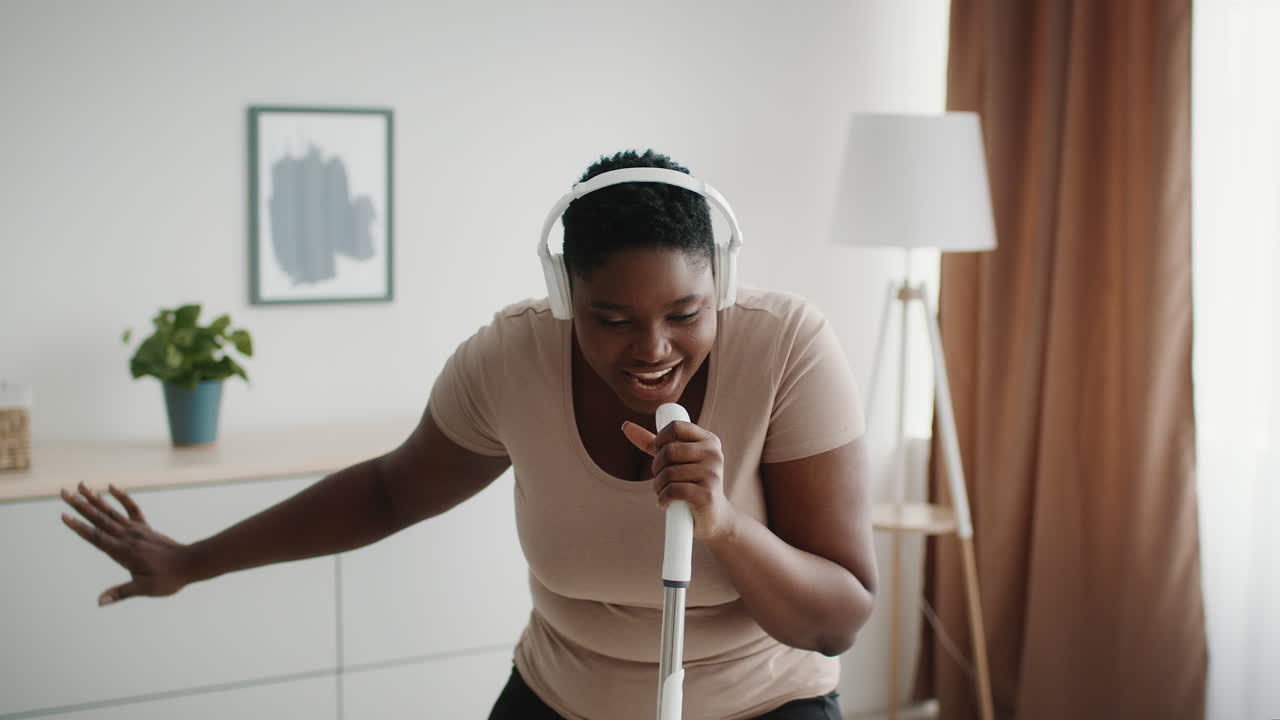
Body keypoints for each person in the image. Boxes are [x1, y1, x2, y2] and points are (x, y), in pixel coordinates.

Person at [59, 149, 878, 720]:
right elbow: (388, 491)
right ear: (563, 295)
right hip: (559, 699)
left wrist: (725, 527)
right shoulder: (509, 358)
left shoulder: (786, 349)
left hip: (761, 706)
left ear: (722, 283)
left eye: (685, 314)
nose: (653, 348)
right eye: (612, 319)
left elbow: (837, 618)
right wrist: (190, 561)